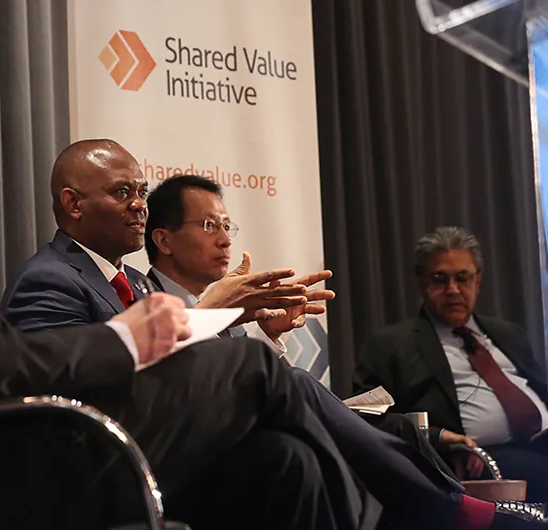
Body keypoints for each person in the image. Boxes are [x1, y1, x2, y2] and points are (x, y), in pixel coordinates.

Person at [0, 0, 548, 530]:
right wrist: (132, 336)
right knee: (257, 373)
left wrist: (197, 320)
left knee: (280, 459)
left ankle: (443, 509)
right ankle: (449, 513)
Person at [142, 173, 456, 479]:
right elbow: (175, 386)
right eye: (209, 226)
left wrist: (269, 332)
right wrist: (214, 310)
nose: (225, 241)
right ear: (164, 240)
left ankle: (457, 506)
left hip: (255, 431)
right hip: (204, 451)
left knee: (399, 427)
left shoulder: (219, 304)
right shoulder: (144, 302)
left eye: (226, 226)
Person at [353, 226, 548, 503]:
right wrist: (438, 438)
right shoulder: (391, 344)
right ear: (421, 284)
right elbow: (363, 417)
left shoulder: (507, 333)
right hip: (482, 459)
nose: (453, 290)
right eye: (440, 279)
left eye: (462, 278)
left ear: (478, 281)